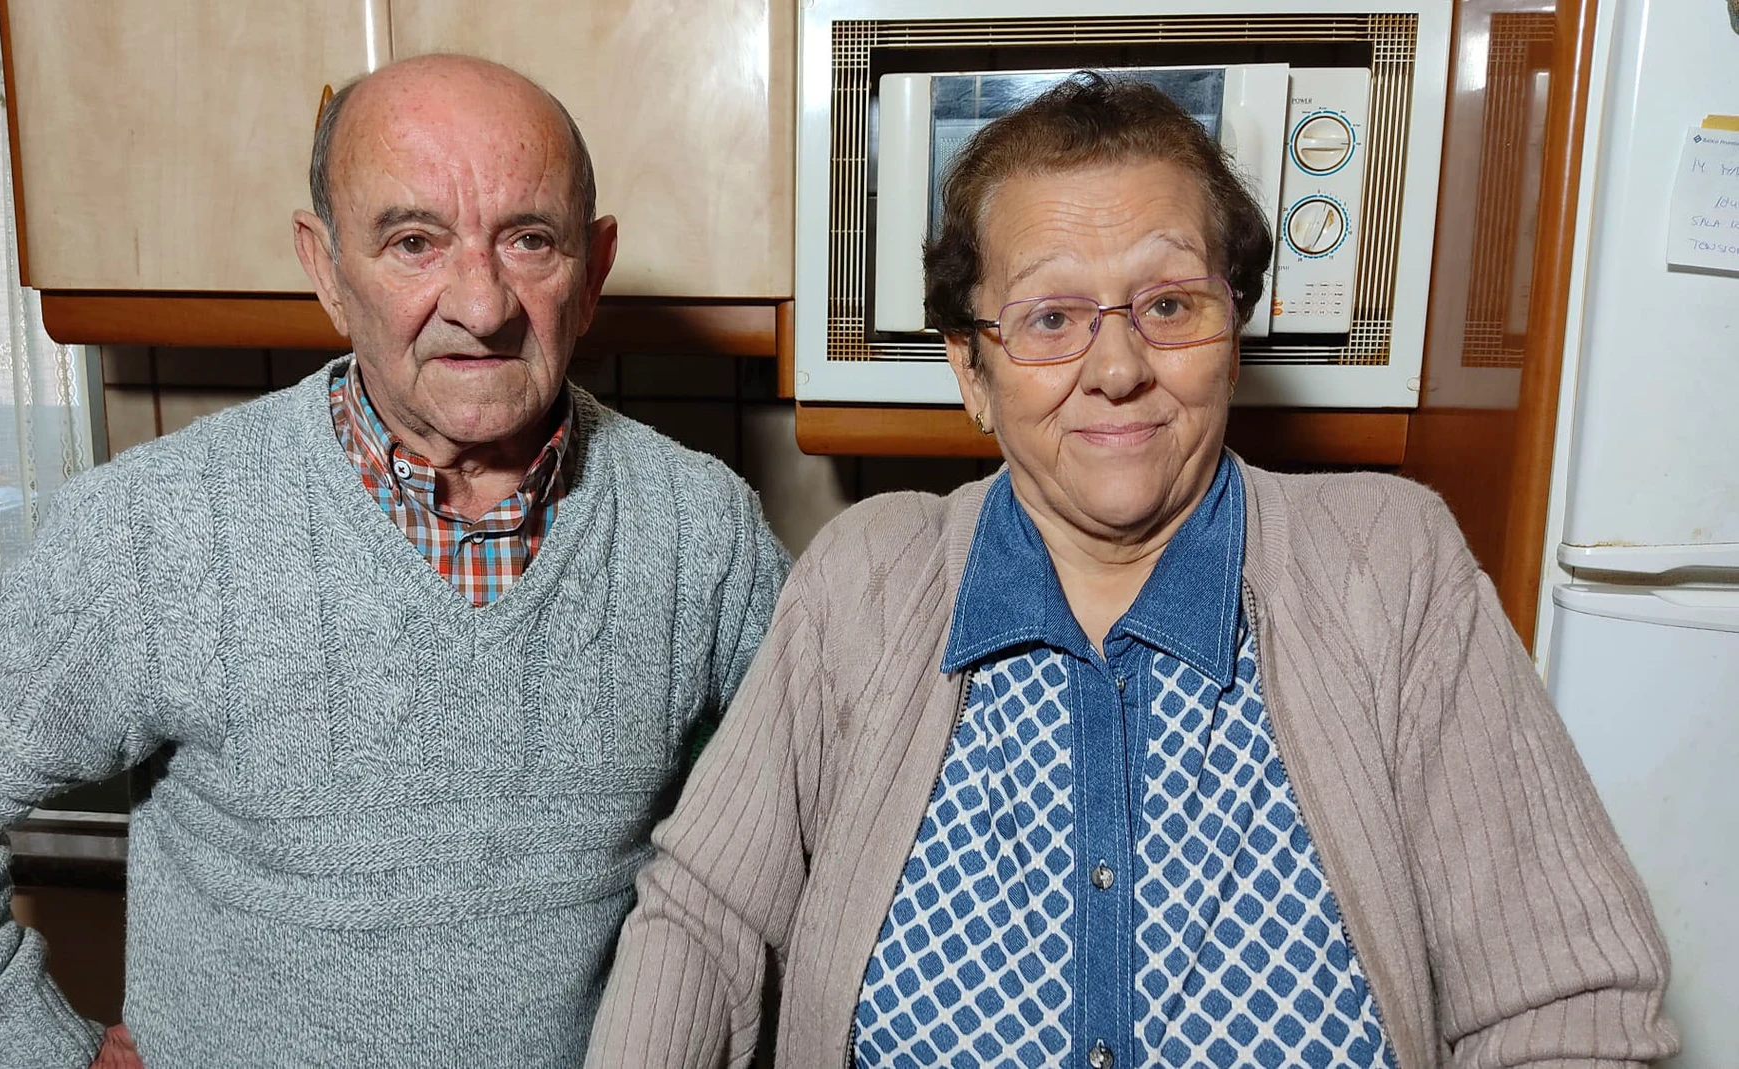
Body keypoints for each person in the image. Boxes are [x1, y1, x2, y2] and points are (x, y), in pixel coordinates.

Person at [586, 74, 1678, 1068]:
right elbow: (705, 919)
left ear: (1232, 328)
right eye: (1052, 317)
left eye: (1168, 305)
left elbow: (1565, 1009)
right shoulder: (863, 583)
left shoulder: (1389, 571)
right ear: (973, 371)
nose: (1117, 369)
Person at [0, 54, 789, 1068]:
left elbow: (830, 812)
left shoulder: (702, 532)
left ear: (592, 271)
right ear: (327, 268)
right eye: (413, 240)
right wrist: (30, 1056)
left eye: (528, 239)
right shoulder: (167, 526)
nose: (481, 302)